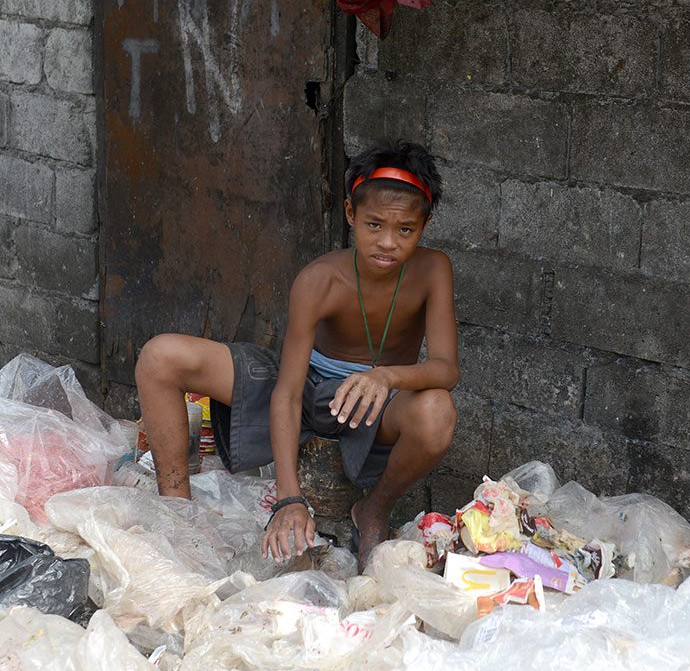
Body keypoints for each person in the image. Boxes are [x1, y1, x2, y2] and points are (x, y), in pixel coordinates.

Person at [135, 141, 459, 571]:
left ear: (425, 225)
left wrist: (386, 377)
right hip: (305, 386)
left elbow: (445, 369)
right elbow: (287, 392)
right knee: (159, 356)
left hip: (375, 405)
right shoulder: (319, 279)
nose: (387, 242)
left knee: (438, 411)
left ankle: (373, 510)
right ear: (350, 214)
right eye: (374, 224)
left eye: (405, 230)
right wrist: (289, 499)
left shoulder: (433, 270)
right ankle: (177, 515)